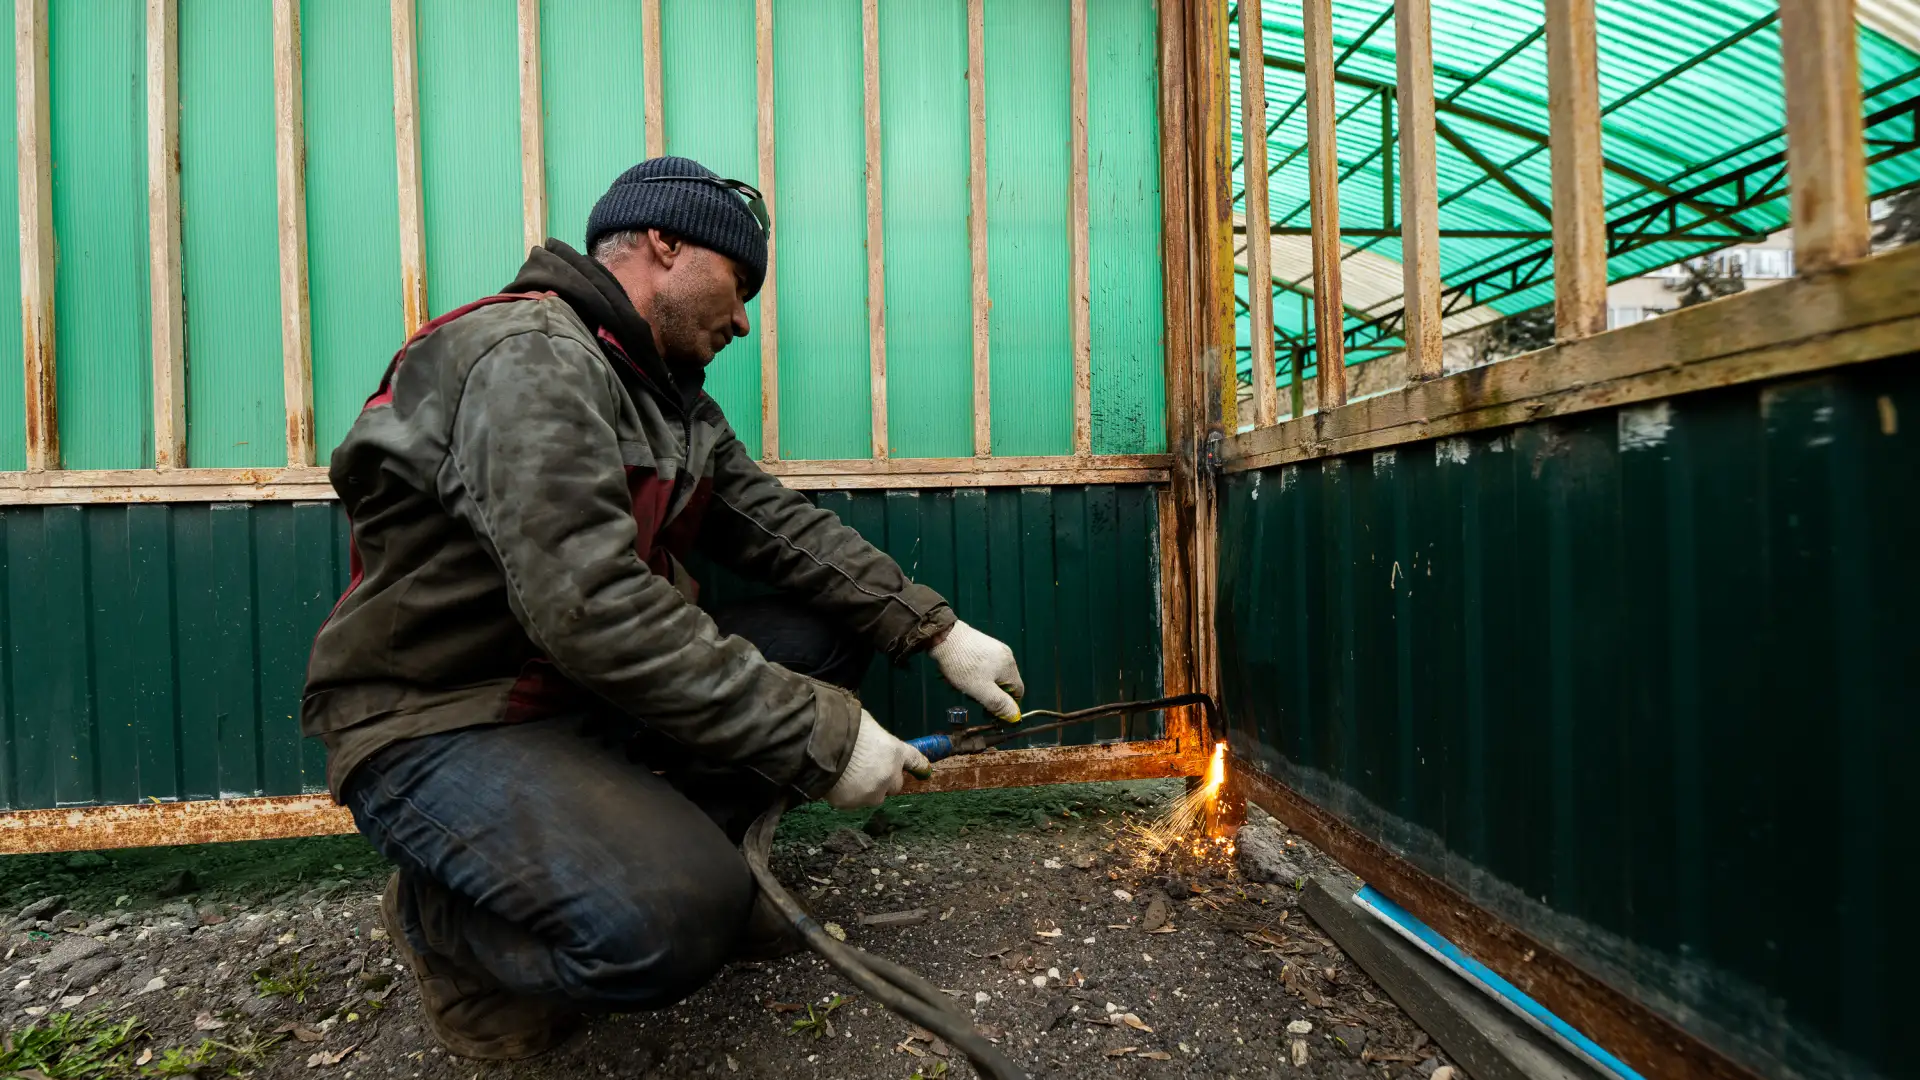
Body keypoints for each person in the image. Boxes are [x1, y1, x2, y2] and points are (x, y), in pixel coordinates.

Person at [301, 156, 1026, 1060]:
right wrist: (826, 737)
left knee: (818, 638)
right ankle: (446, 923)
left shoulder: (671, 402)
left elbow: (775, 528)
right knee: (665, 928)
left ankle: (704, 863)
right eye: (739, 284)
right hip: (444, 716)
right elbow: (594, 608)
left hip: (569, 695)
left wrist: (934, 629)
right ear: (665, 243)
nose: (744, 319)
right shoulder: (528, 356)